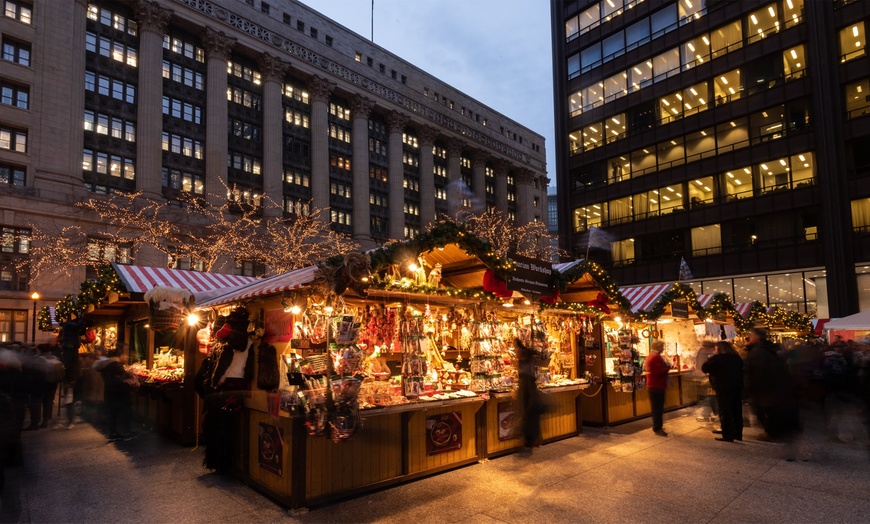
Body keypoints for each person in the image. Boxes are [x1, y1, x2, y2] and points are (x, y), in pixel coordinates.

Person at [744, 327, 799, 441]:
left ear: (757, 337)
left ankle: (773, 433)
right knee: (773, 410)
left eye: (751, 335)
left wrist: (753, 386)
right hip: (776, 385)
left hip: (766, 387)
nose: (749, 337)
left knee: (768, 411)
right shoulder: (770, 348)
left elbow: (758, 370)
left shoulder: (758, 351)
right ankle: (778, 431)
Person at [702, 341, 744, 442]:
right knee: (736, 410)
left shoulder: (718, 358)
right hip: (737, 386)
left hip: (723, 387)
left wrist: (709, 359)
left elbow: (705, 368)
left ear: (719, 349)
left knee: (725, 410)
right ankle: (738, 433)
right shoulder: (737, 358)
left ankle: (728, 434)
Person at [94, 350, 137, 441]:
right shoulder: (115, 364)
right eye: (124, 355)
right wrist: (132, 373)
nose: (125, 357)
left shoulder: (107, 364)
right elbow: (123, 374)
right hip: (118, 390)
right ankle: (127, 433)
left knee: (113, 413)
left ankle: (113, 433)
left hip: (110, 390)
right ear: (120, 355)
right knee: (126, 410)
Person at [644, 340, 671, 436]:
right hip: (657, 385)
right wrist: (667, 367)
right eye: (662, 347)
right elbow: (657, 372)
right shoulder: (656, 357)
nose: (663, 349)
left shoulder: (651, 356)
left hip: (653, 385)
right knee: (658, 408)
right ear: (658, 347)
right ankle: (657, 427)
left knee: (657, 407)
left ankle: (658, 425)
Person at [692, 341, 718, 423]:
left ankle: (709, 414)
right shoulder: (712, 352)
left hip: (706, 377)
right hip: (706, 377)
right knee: (710, 396)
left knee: (709, 396)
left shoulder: (704, 352)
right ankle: (709, 414)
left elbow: (702, 365)